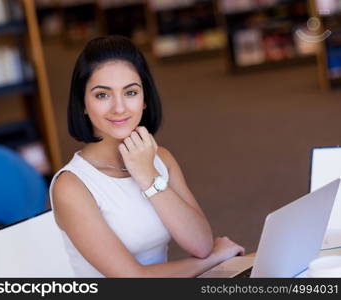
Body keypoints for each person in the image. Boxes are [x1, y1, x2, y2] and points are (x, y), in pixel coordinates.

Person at [50, 35, 245, 278]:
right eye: (102, 95)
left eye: (131, 92)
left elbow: (201, 244)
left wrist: (148, 176)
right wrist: (214, 259)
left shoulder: (160, 159)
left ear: (144, 100)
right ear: (82, 104)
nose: (119, 107)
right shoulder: (71, 186)